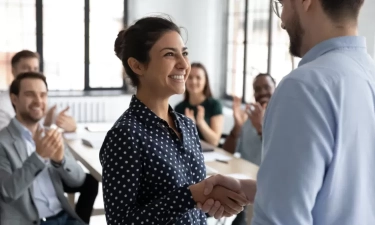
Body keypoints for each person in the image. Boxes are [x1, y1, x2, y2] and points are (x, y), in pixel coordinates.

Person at [202, 0, 375, 224]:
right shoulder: (367, 74)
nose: (282, 20)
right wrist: (260, 190)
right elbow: (346, 194)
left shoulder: (304, 86)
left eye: (282, 4)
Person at [99, 16, 248, 225]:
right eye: (170, 54)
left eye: (184, 53)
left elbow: (186, 206)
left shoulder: (186, 125)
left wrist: (209, 200)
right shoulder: (125, 135)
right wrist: (192, 196)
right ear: (137, 66)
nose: (184, 64)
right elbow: (121, 221)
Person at [0, 50, 98, 224]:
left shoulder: (49, 134)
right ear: (14, 99)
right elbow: (7, 193)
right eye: (30, 94)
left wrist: (60, 160)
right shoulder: (3, 142)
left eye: (43, 95)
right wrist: (39, 157)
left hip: (64, 217)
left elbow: (78, 181)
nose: (39, 101)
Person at [221, 73, 276, 225]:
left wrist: (261, 128)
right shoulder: (249, 117)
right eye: (257, 89)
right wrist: (237, 128)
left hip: (267, 191)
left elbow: (279, 156)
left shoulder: (282, 116)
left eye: (266, 87)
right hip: (245, 188)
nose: (262, 92)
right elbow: (228, 151)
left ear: (275, 88)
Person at [174, 62, 223, 146]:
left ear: (205, 81)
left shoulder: (214, 105)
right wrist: (190, 127)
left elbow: (215, 141)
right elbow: (177, 140)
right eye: (190, 77)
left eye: (198, 77)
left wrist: (200, 123)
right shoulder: (179, 108)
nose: (193, 81)